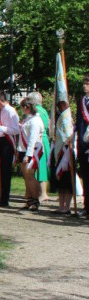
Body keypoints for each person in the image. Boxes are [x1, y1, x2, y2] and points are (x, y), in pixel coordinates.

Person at [17, 96, 45, 211]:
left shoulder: (35, 121)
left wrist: (28, 155)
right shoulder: (28, 119)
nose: (22, 109)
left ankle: (35, 200)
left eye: (23, 107)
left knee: (30, 176)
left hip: (32, 151)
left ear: (27, 107)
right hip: (23, 149)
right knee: (27, 177)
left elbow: (32, 139)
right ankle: (30, 199)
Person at [49, 99, 75, 215]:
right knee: (59, 182)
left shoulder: (71, 124)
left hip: (67, 152)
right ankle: (61, 206)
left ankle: (67, 207)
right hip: (58, 151)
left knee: (67, 182)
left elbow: (72, 138)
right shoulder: (56, 123)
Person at [0, 92, 20, 207]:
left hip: (7, 142)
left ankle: (4, 198)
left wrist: (1, 128)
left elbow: (15, 129)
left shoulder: (10, 111)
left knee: (5, 171)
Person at [29, 91, 51, 205]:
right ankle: (41, 192)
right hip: (43, 139)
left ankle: (43, 193)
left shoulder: (37, 111)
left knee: (40, 166)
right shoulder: (43, 110)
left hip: (39, 140)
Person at [76, 74, 89, 217]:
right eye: (84, 83)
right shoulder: (81, 101)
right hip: (83, 143)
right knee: (86, 175)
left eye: (87, 83)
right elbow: (79, 121)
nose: (85, 85)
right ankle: (87, 206)